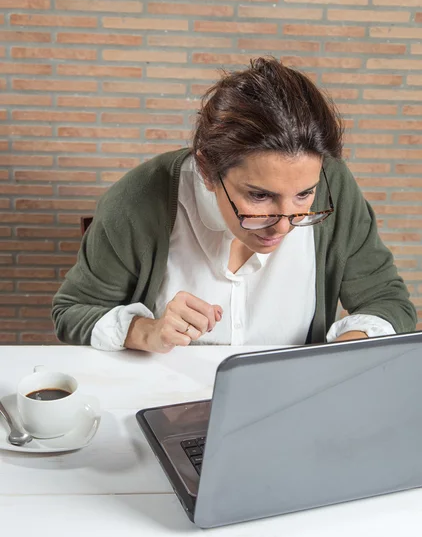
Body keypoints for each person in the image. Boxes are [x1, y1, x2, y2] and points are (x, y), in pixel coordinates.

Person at [52, 57, 416, 354]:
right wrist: (147, 330)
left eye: (304, 195)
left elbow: (388, 302)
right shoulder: (138, 200)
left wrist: (339, 358)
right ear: (209, 170)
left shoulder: (335, 185)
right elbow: (71, 313)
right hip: (166, 404)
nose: (284, 226)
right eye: (259, 196)